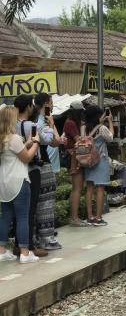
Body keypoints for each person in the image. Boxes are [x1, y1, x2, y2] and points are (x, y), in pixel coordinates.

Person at [0, 106, 41, 263]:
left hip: (4, 183)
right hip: (19, 181)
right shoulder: (14, 138)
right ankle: (25, 253)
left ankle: (2, 251)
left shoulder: (2, 139)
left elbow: (17, 152)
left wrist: (28, 142)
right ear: (10, 119)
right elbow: (26, 158)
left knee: (5, 217)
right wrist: (36, 143)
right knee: (23, 216)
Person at [13, 95, 48, 257]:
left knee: (15, 210)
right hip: (32, 169)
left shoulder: (10, 126)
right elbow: (40, 144)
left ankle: (16, 245)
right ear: (28, 107)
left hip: (14, 170)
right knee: (30, 209)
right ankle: (29, 246)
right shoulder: (32, 126)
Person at [34, 93, 61, 250]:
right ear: (45, 104)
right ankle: (47, 238)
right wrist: (51, 126)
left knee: (35, 203)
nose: (51, 105)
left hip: (32, 164)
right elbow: (55, 141)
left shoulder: (30, 119)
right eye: (50, 103)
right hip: (43, 163)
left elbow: (56, 142)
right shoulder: (43, 120)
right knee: (46, 202)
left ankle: (36, 238)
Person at [84, 105, 114, 226]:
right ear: (98, 116)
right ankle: (98, 217)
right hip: (100, 160)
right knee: (100, 188)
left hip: (88, 161)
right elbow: (111, 138)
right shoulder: (102, 128)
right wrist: (110, 121)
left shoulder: (84, 128)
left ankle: (90, 217)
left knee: (90, 188)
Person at [63, 100, 86, 227]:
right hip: (74, 158)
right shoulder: (71, 123)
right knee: (77, 188)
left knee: (75, 188)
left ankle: (73, 217)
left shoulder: (68, 122)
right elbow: (79, 140)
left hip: (73, 157)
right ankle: (74, 217)